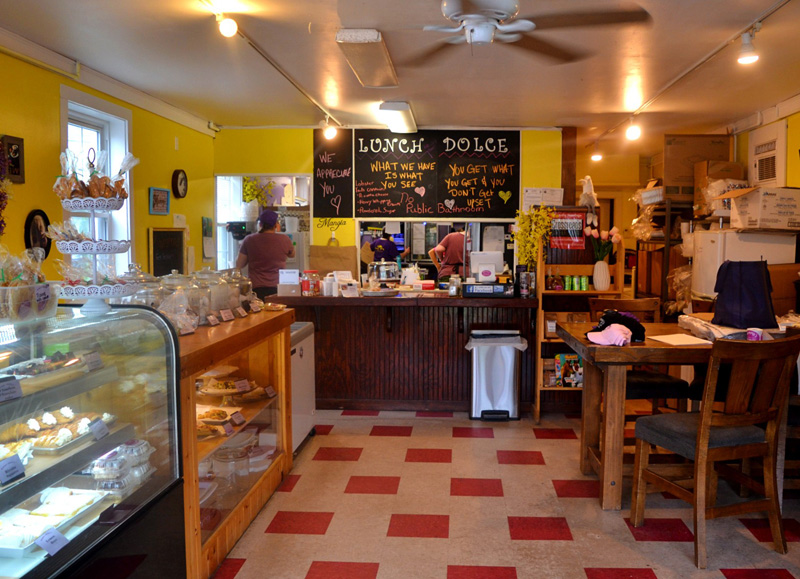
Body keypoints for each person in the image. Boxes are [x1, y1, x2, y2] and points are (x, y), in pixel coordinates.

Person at [236, 209, 295, 299]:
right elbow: (292, 254)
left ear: (260, 224)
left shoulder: (249, 240)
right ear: (276, 225)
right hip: (279, 288)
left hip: (256, 289)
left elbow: (239, 264)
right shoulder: (285, 239)